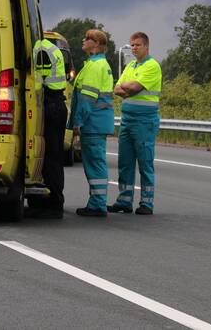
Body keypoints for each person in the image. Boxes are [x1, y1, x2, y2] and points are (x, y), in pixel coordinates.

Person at [109, 31, 162, 215]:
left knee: (145, 162)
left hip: (145, 120)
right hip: (127, 120)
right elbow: (117, 87)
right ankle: (124, 201)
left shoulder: (152, 66)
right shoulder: (130, 66)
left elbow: (134, 87)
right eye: (132, 45)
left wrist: (127, 87)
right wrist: (126, 88)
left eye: (137, 45)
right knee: (125, 162)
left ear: (146, 46)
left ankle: (147, 203)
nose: (134, 48)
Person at [68, 29, 114, 217]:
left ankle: (97, 204)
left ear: (96, 44)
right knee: (95, 162)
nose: (83, 40)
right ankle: (96, 202)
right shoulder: (96, 64)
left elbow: (87, 100)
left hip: (93, 122)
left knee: (95, 163)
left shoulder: (95, 67)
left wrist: (78, 122)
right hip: (97, 121)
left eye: (87, 38)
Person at [33, 35, 68, 218]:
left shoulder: (38, 49)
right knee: (52, 156)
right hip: (55, 102)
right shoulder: (49, 47)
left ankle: (54, 203)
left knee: (50, 156)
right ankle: (50, 200)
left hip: (49, 103)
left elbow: (37, 79)